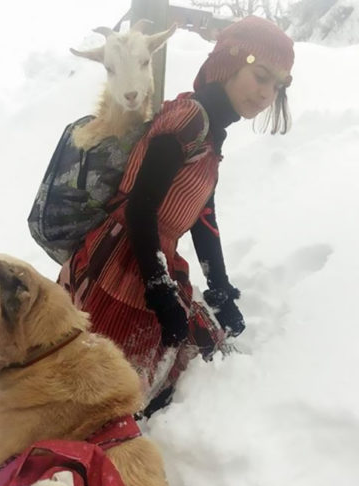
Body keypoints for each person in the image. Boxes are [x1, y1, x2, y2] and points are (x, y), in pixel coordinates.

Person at [59, 16, 295, 417]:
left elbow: (204, 216)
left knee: (196, 362)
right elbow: (139, 206)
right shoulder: (190, 120)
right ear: (227, 65)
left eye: (277, 85)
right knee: (104, 394)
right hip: (124, 261)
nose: (267, 92)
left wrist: (219, 287)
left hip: (151, 257)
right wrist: (157, 287)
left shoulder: (211, 130)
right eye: (260, 76)